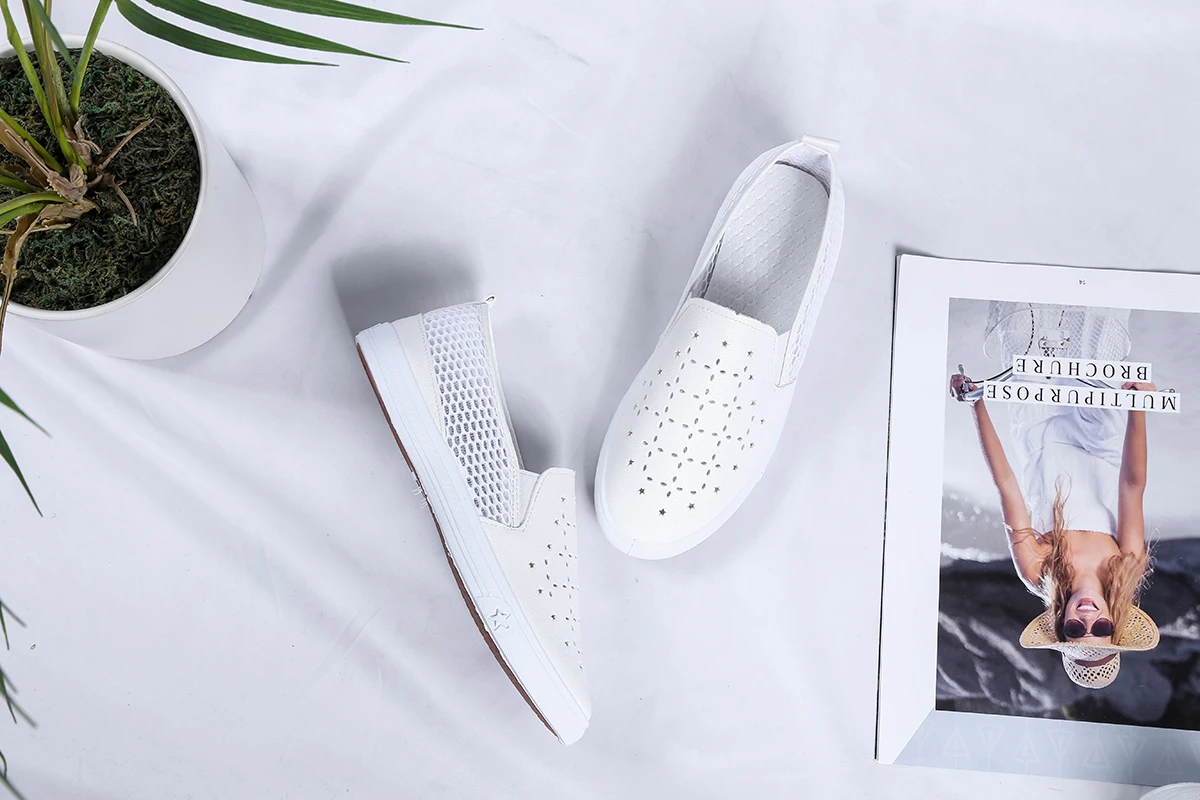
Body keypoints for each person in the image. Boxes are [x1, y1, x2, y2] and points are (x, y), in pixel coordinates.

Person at [950, 369, 1160, 689]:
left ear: (1062, 625)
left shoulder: (1039, 572)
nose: (1087, 618)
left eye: (1076, 630)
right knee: (1091, 345)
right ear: (1114, 622)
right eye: (1101, 629)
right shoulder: (1126, 567)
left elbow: (1007, 486)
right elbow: (1132, 486)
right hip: (1100, 433)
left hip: (1037, 428)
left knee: (1031, 345)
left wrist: (975, 404)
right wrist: (1137, 407)